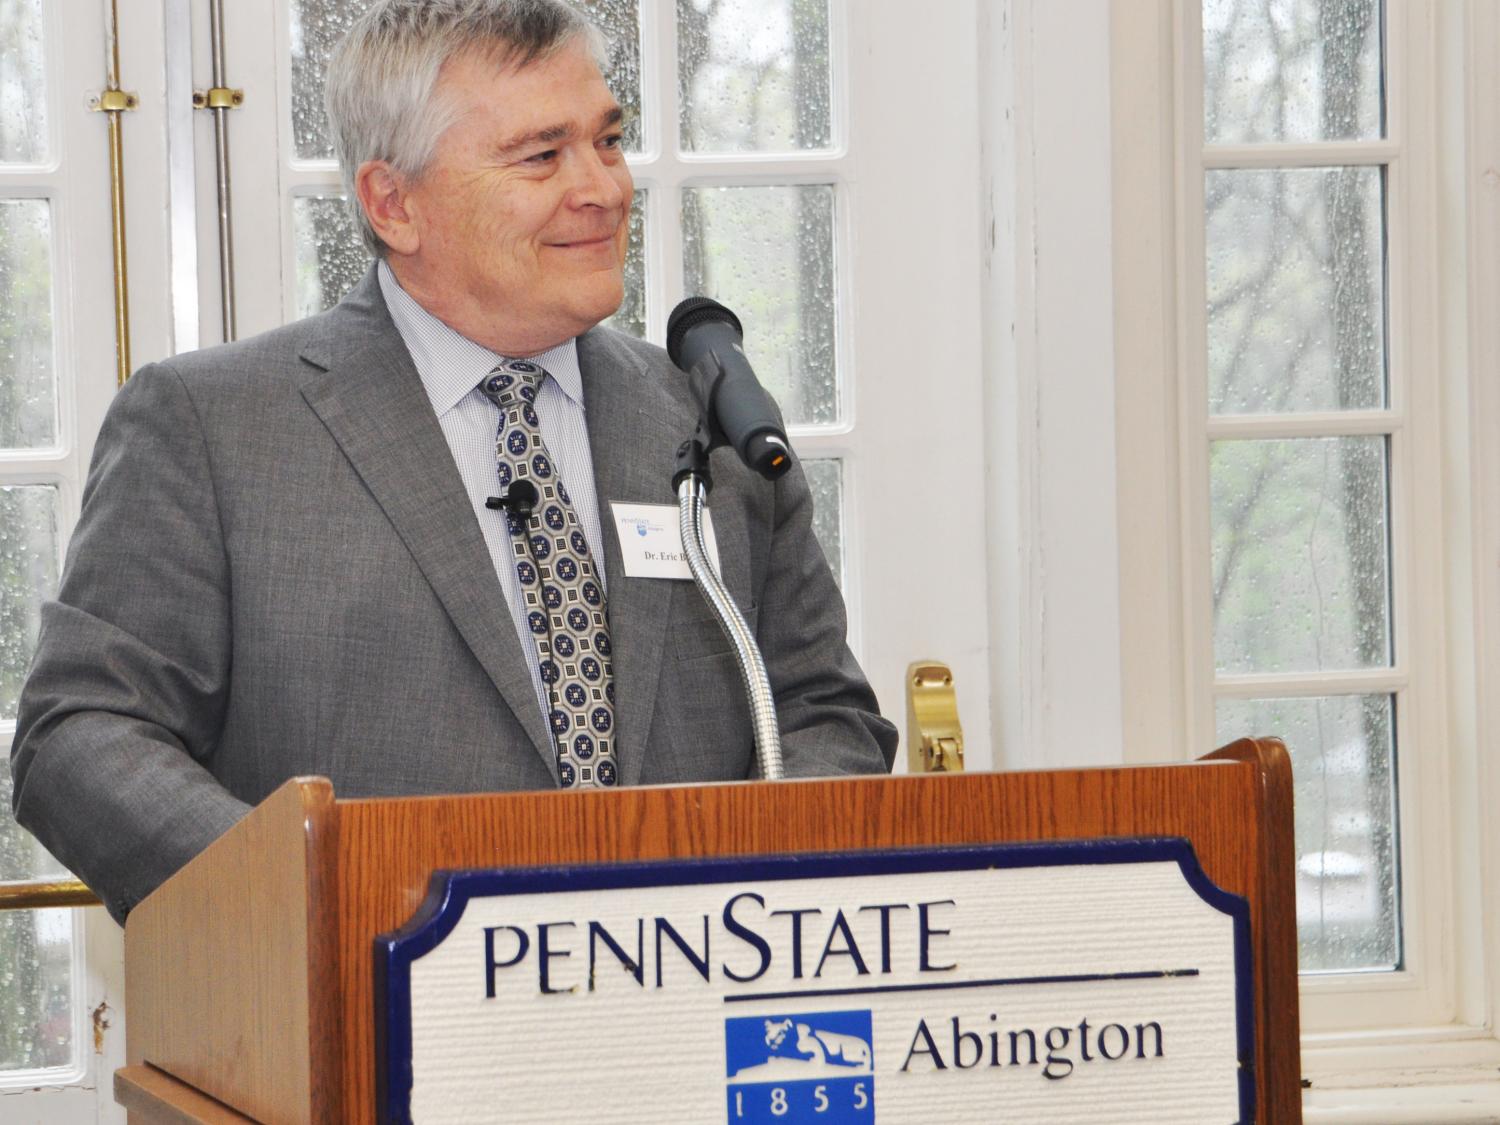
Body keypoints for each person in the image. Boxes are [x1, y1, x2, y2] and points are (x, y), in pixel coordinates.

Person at [8, 0, 895, 925]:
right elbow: (82, 735)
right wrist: (301, 897)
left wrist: (754, 890)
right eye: (542, 156)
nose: (602, 187)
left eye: (608, 140)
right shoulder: (214, 427)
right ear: (394, 204)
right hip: (355, 993)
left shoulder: (711, 421)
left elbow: (824, 711)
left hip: (694, 987)